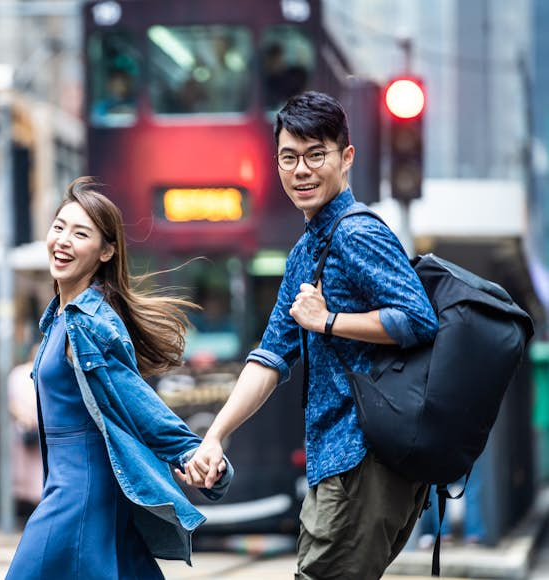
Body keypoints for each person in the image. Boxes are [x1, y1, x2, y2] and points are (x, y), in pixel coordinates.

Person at [183, 91, 439, 580]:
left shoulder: (356, 233)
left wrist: (328, 321)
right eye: (288, 157)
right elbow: (269, 357)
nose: (301, 170)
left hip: (364, 455)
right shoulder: (308, 249)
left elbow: (417, 318)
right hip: (334, 462)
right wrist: (216, 435)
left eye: (315, 154)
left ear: (346, 158)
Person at [5, 177, 232, 579]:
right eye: (59, 227)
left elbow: (139, 405)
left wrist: (192, 454)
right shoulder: (59, 319)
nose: (63, 241)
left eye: (80, 234)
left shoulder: (89, 326)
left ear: (106, 251)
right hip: (73, 493)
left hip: (78, 501)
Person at [8, 343, 43, 515]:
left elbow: (11, 404)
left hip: (25, 428)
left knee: (26, 473)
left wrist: (23, 418)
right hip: (34, 429)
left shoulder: (17, 374)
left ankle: (29, 510)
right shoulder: (41, 372)